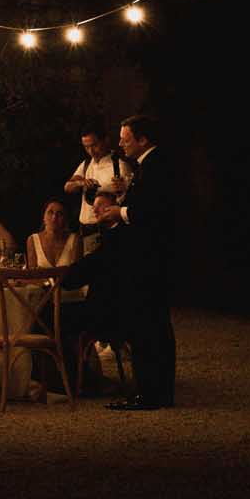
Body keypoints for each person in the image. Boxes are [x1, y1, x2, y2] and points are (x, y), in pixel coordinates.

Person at [93, 114, 174, 410]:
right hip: (149, 259)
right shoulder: (148, 167)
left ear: (142, 140)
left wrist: (121, 213)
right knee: (153, 326)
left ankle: (152, 393)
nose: (120, 144)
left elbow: (155, 211)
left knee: (147, 326)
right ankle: (156, 391)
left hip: (148, 260)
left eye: (125, 139)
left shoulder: (155, 166)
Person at [65, 130, 133, 255]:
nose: (91, 151)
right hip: (84, 230)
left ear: (105, 140)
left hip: (106, 232)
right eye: (86, 147)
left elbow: (130, 199)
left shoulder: (119, 166)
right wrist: (81, 183)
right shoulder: (86, 164)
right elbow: (67, 187)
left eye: (94, 145)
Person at [27, 200, 79, 269]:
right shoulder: (32, 240)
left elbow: (76, 273)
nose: (54, 218)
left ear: (65, 219)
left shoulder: (75, 240)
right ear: (43, 217)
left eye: (60, 214)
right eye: (50, 212)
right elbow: (32, 275)